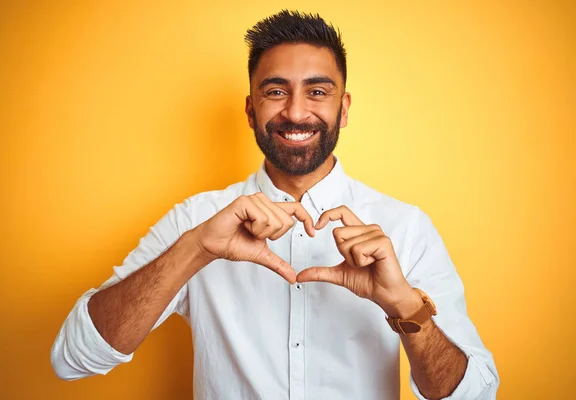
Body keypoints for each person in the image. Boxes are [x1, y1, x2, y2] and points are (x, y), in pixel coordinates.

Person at [51, 10, 499, 400]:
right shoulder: (195, 220)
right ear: (250, 110)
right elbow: (72, 358)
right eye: (276, 91)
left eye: (317, 92)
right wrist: (197, 250)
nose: (297, 112)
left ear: (343, 110)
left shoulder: (405, 227)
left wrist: (405, 306)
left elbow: (475, 394)